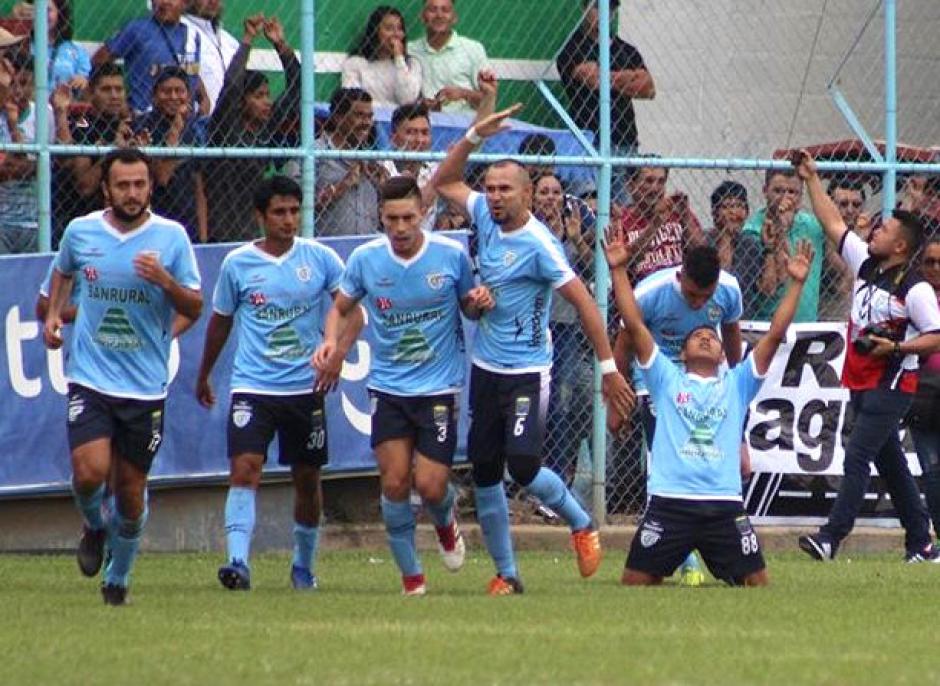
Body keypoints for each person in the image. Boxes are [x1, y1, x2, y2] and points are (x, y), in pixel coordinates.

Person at [432, 75, 634, 594]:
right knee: (483, 472)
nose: (494, 196)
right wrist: (477, 132)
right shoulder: (483, 214)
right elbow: (444, 181)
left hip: (527, 370)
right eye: (492, 188)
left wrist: (608, 367)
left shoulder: (541, 244)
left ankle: (581, 521)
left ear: (528, 193)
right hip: (486, 368)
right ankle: (507, 574)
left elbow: (586, 302)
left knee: (523, 465)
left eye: (506, 189)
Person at [604, 221, 813, 587]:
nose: (704, 334)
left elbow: (776, 333)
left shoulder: (738, 382)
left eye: (709, 335)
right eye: (696, 335)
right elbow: (634, 327)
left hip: (724, 507)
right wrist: (619, 270)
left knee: (758, 585)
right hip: (671, 504)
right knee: (634, 584)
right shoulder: (665, 379)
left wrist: (796, 283)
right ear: (680, 354)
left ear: (721, 355)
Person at [314, 175, 490, 595]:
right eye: (391, 219)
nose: (400, 228)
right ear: (381, 217)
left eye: (408, 217)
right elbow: (340, 308)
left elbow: (469, 305)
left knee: (429, 485)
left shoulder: (450, 255)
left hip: (439, 387)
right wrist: (329, 343)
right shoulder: (365, 259)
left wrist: (478, 303)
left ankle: (446, 524)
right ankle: (413, 580)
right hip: (389, 388)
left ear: (423, 214)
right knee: (393, 483)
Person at [42, 148, 203, 605]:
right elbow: (61, 276)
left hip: (145, 386)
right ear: (107, 189)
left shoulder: (171, 238)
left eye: (139, 185)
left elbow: (194, 305)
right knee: (88, 472)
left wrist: (165, 283)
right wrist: (54, 316)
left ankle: (119, 581)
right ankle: (94, 526)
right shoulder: (81, 231)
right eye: (122, 185)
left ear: (150, 187)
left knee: (131, 492)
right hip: (90, 377)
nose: (132, 193)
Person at [196, 175, 358, 591]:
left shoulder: (320, 259)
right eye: (279, 213)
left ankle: (303, 566)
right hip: (253, 387)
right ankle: (237, 562)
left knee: (307, 479)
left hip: (306, 389)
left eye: (294, 211)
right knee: (244, 469)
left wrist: (336, 352)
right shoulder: (238, 264)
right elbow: (220, 322)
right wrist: (205, 373)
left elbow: (353, 313)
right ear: (260, 216)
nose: (288, 220)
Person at [792, 151, 940, 562]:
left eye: (885, 229)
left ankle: (830, 537)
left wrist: (896, 348)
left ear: (901, 245)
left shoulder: (915, 289)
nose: (875, 231)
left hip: (891, 386)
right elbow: (832, 223)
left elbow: (935, 337)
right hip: (860, 380)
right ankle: (921, 543)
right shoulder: (866, 263)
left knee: (857, 457)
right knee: (890, 461)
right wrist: (812, 179)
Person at [611, 244, 745, 585]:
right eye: (691, 295)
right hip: (659, 379)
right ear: (680, 274)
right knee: (666, 460)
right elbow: (627, 339)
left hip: (708, 382)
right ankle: (682, 555)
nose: (699, 304)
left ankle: (697, 545)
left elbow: (731, 334)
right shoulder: (651, 293)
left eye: (706, 297)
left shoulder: (729, 290)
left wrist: (733, 384)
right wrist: (615, 394)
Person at [203, 13, 299, 242]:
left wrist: (280, 44)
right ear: (242, 101)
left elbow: (298, 87)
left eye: (268, 95)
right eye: (259, 96)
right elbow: (231, 87)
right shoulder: (225, 127)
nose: (267, 101)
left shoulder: (265, 130)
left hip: (251, 229)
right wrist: (247, 40)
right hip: (220, 229)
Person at [556, 0, 655, 206]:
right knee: (588, 207)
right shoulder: (573, 47)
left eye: (610, 8)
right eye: (596, 6)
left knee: (625, 210)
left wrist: (605, 74)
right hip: (588, 141)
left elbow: (648, 89)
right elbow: (594, 80)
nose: (603, 13)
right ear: (584, 9)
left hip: (624, 141)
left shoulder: (627, 50)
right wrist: (630, 76)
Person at [531, 172, 595, 481]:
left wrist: (577, 239)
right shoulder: (529, 231)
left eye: (556, 192)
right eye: (543, 192)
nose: (550, 198)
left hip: (565, 325)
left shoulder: (573, 231)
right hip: (534, 324)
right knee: (536, 399)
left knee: (561, 400)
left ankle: (557, 471)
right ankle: (530, 469)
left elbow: (593, 269)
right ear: (533, 197)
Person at [52, 62, 134, 239]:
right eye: (106, 89)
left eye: (119, 89)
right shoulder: (82, 125)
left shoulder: (131, 126)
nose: (114, 96)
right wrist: (114, 151)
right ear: (91, 93)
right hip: (81, 221)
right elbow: (85, 186)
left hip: (122, 226)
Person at [93, 0, 206, 116]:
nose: (165, 2)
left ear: (185, 3)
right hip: (145, 118)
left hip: (185, 119)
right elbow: (99, 60)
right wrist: (121, 103)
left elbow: (190, 70)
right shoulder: (136, 29)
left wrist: (204, 98)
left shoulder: (193, 35)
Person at [133, 66, 207, 240]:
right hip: (156, 220)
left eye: (179, 91)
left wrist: (203, 237)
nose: (173, 97)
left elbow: (199, 187)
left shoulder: (194, 129)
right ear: (154, 95)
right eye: (166, 91)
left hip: (188, 225)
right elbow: (162, 177)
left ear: (188, 96)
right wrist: (174, 132)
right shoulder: (142, 125)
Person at [742, 168, 825, 322]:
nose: (785, 198)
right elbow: (769, 288)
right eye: (778, 191)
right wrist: (781, 231)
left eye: (792, 192)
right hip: (769, 326)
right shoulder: (752, 230)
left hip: (807, 326)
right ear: (765, 191)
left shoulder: (812, 225)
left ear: (801, 197)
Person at [314, 87, 386, 237]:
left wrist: (384, 187)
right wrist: (342, 186)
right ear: (338, 117)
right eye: (359, 116)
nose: (367, 123)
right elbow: (298, 208)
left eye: (369, 117)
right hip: (326, 250)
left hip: (366, 251)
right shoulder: (314, 154)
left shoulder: (372, 158)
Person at [0, 56, 53, 254]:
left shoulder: (43, 113)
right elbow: (12, 168)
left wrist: (14, 126)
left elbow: (42, 166)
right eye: (11, 84)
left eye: (23, 83)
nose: (17, 91)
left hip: (33, 218)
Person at [619, 162, 704, 283]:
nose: (655, 188)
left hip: (679, 286)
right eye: (648, 181)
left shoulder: (677, 212)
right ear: (631, 185)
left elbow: (703, 255)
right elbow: (626, 264)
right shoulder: (621, 219)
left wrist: (685, 217)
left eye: (661, 182)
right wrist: (655, 223)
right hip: (642, 290)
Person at [909, 239, 940, 537]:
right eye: (929, 262)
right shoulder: (913, 299)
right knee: (932, 471)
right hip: (922, 397)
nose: (935, 269)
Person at [408, 0, 489, 113]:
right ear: (422, 17)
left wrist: (463, 93)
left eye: (445, 10)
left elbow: (488, 99)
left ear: (454, 17)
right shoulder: (410, 50)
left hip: (463, 125)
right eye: (432, 10)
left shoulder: (473, 49)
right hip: (421, 125)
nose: (439, 15)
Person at [342, 6, 422, 108]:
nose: (396, 34)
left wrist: (399, 59)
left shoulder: (412, 64)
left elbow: (407, 100)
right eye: (389, 29)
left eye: (400, 29)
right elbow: (353, 101)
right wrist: (394, 108)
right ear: (375, 32)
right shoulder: (355, 63)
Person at [706, 181, 761, 315]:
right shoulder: (705, 241)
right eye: (726, 207)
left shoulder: (750, 243)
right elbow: (722, 279)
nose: (733, 212)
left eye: (739, 206)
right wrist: (726, 236)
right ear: (715, 213)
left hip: (745, 315)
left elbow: (767, 289)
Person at [381, 102, 437, 229]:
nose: (419, 140)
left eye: (425, 133)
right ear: (393, 138)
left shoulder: (434, 168)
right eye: (411, 132)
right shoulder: (382, 168)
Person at [182, 0, 240, 113]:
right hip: (198, 122)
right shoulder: (182, 32)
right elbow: (187, 74)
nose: (213, 1)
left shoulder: (230, 41)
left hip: (232, 121)